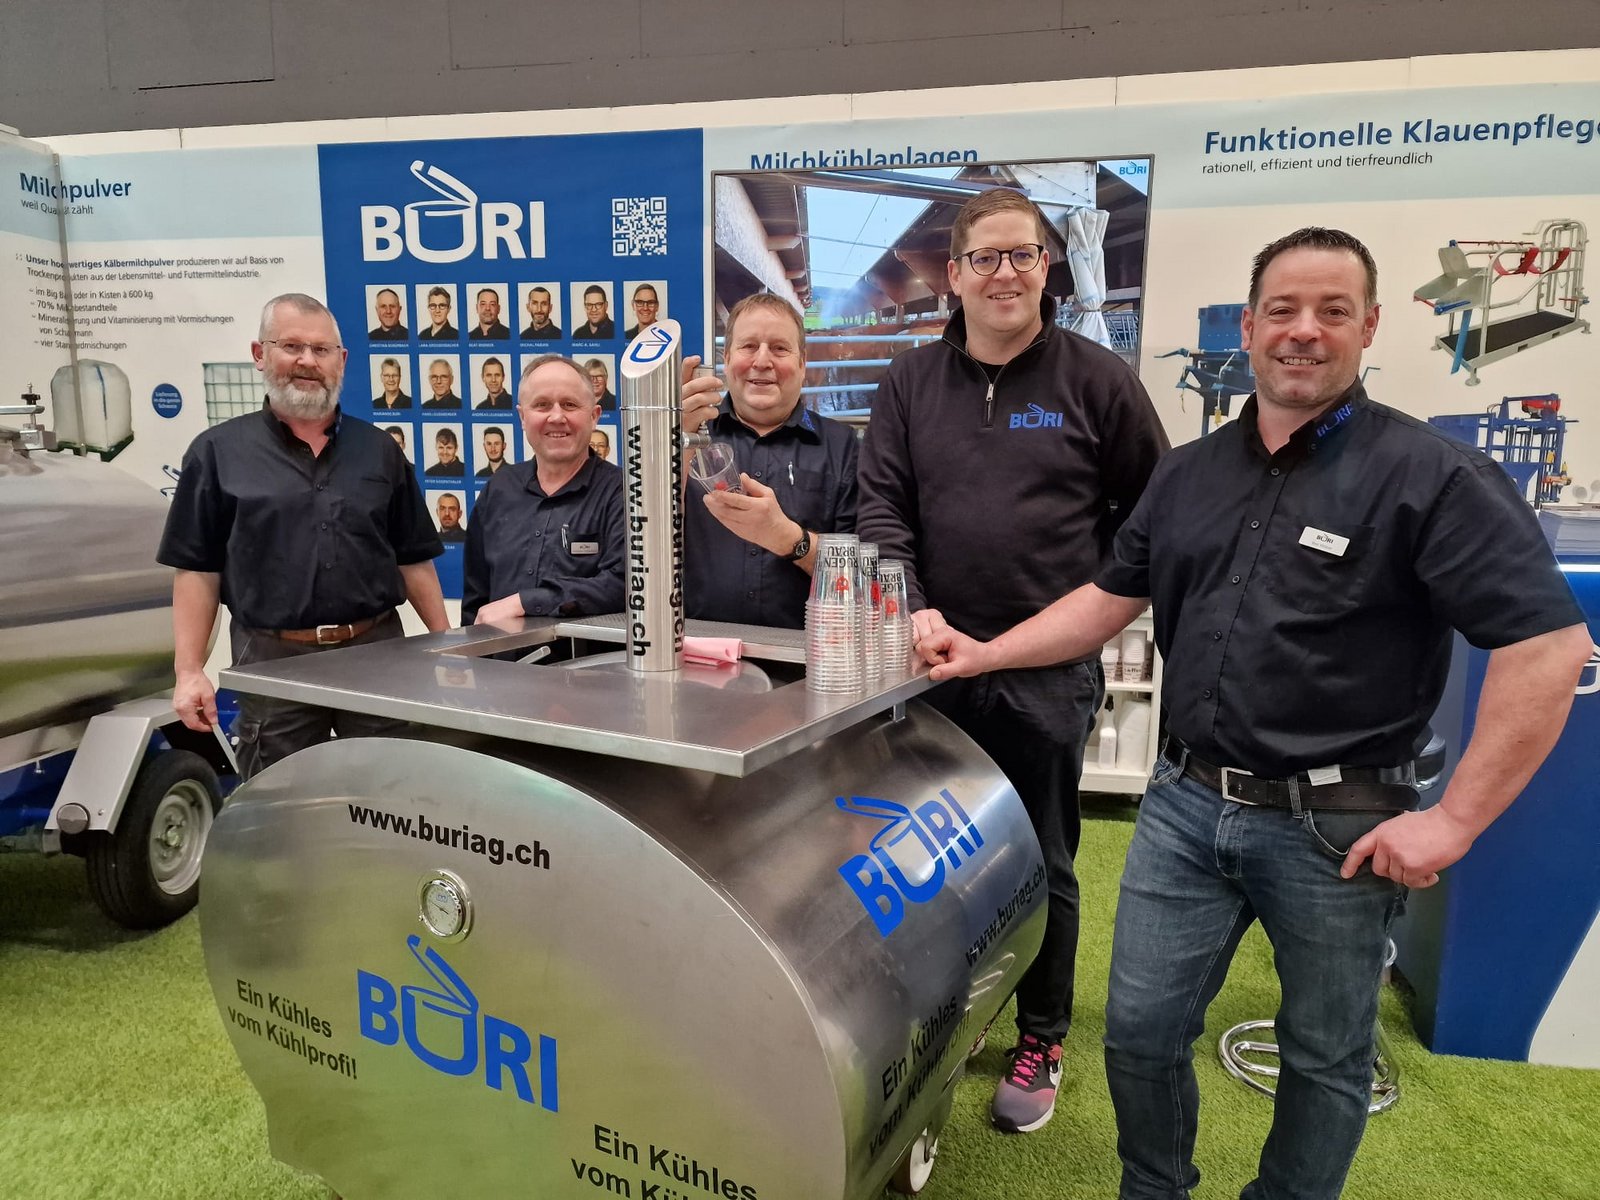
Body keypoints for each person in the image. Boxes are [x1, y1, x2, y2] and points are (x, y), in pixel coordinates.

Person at [918, 227, 1592, 1199]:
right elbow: (1106, 599)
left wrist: (1453, 822)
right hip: (1184, 808)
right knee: (1140, 1034)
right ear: (1248, 326)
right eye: (1282, 310)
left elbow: (1549, 648)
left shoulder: (1430, 477)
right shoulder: (1188, 475)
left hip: (1338, 827)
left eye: (1331, 311)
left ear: (1368, 326)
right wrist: (986, 653)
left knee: (1324, 1056)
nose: (1302, 331)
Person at [857, 187, 1169, 1134]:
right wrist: (917, 612)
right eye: (985, 258)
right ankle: (949, 1014)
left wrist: (1078, 617)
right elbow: (883, 509)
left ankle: (1041, 1034)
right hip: (930, 664)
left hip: (1045, 674)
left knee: (1041, 856)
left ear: (1047, 266)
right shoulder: (910, 382)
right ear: (953, 275)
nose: (1004, 273)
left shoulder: (1099, 381)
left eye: (1022, 255)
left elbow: (1151, 523)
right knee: (928, 859)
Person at [158, 292, 447, 780]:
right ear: (260, 354)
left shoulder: (380, 451)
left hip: (377, 653)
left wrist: (448, 650)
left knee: (390, 792)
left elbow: (413, 558)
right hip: (273, 662)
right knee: (281, 800)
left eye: (321, 350)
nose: (308, 361)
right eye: (291, 346)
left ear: (342, 360)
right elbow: (197, 571)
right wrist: (188, 672)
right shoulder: (216, 454)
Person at [679, 292, 857, 628]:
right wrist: (674, 444)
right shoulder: (686, 434)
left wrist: (789, 538)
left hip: (803, 651)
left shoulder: (842, 446)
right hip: (700, 649)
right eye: (748, 346)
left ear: (802, 364)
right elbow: (643, 544)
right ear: (726, 358)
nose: (762, 360)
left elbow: (861, 574)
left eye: (779, 348)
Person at [462, 355, 625, 626]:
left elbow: (623, 585)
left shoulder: (624, 492)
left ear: (594, 416)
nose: (557, 417)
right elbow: (476, 598)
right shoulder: (499, 489)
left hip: (584, 654)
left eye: (570, 404)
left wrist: (526, 602)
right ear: (522, 417)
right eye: (542, 405)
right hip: (499, 653)